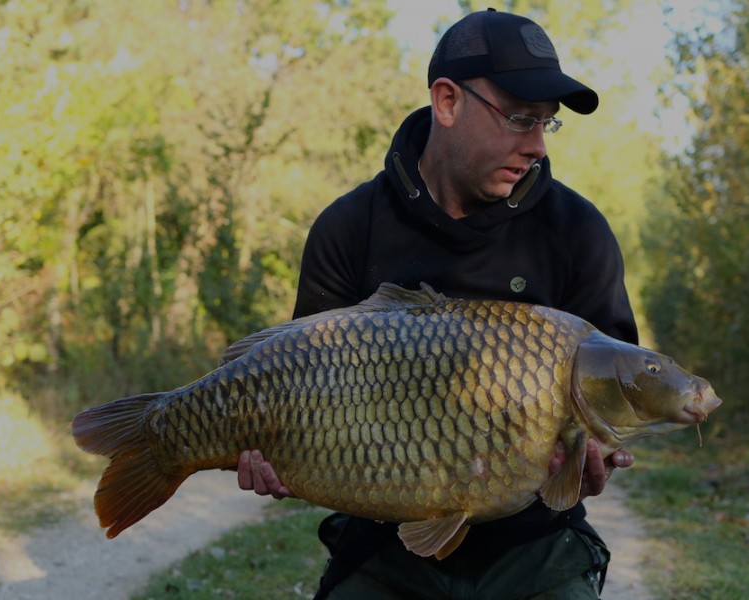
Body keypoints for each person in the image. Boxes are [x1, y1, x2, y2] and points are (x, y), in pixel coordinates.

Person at [234, 8, 637, 599]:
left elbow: (613, 395)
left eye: (546, 125)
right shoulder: (349, 228)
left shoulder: (577, 232)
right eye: (520, 118)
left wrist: (593, 459)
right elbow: (299, 394)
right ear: (447, 102)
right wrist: (281, 455)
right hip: (382, 542)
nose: (535, 147)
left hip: (535, 544)